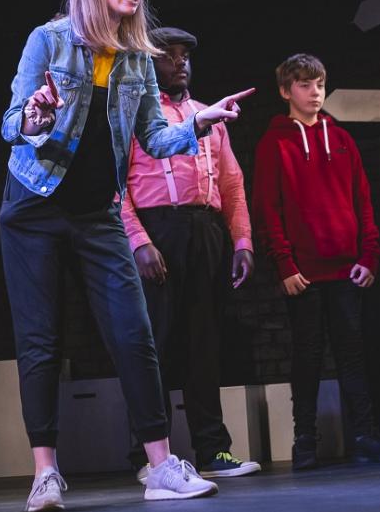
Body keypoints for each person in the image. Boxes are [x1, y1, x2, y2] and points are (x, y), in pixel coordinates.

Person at [0, 0, 253, 509]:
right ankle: (45, 473)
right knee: (40, 340)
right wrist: (36, 117)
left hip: (97, 211)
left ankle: (160, 466)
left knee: (135, 333)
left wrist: (200, 123)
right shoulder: (49, 40)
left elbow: (152, 139)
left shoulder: (137, 57)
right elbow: (12, 123)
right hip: (34, 207)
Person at [122, 27, 260, 481]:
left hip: (204, 229)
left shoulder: (207, 114)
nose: (179, 63)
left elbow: (232, 182)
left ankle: (213, 452)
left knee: (205, 343)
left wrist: (241, 240)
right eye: (168, 56)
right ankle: (148, 457)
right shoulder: (135, 117)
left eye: (185, 56)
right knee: (154, 346)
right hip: (159, 229)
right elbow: (116, 189)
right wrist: (139, 241)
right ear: (148, 63)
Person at [253, 53, 380, 470]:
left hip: (346, 270)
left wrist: (370, 256)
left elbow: (364, 202)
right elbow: (268, 209)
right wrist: (284, 265)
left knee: (353, 354)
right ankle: (305, 441)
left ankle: (365, 436)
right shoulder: (274, 143)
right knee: (307, 356)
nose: (314, 92)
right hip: (303, 274)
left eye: (319, 84)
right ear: (286, 91)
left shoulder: (342, 139)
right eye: (304, 84)